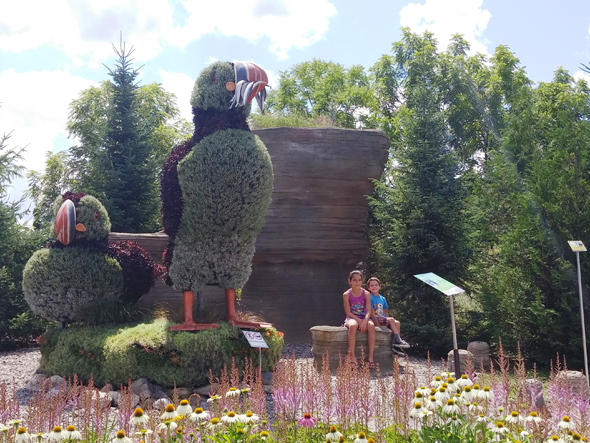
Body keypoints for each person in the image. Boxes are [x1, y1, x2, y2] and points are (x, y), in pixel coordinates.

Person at [367, 277, 410, 353]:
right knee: (391, 320)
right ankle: (398, 340)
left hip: (382, 319)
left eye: (376, 285)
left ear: (380, 286)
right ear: (369, 288)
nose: (374, 287)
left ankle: (396, 345)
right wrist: (379, 326)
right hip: (375, 320)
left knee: (397, 323)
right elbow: (372, 314)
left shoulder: (382, 298)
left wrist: (389, 321)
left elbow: (385, 311)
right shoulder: (370, 297)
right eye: (372, 285)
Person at [343, 270, 376, 367]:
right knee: (353, 326)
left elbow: (369, 310)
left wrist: (365, 321)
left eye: (359, 280)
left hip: (364, 317)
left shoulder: (366, 294)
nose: (357, 282)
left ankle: (370, 358)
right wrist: (359, 321)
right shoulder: (346, 294)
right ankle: (353, 357)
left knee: (371, 325)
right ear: (350, 281)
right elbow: (348, 312)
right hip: (352, 317)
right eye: (355, 280)